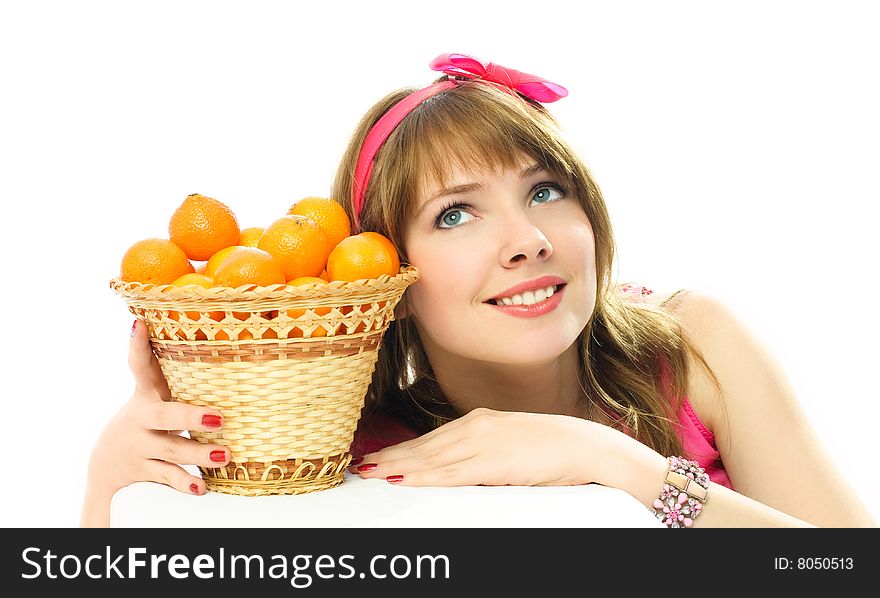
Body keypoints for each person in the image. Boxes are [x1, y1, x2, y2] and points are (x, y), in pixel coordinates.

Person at [81, 52, 876, 528]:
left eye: (543, 192)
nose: (527, 238)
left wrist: (616, 466)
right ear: (386, 274)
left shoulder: (694, 344)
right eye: (456, 213)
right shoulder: (355, 452)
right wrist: (107, 486)